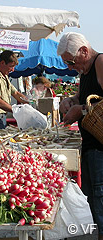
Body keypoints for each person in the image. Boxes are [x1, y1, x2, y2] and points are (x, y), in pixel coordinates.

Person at [57, 32, 103, 239]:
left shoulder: (100, 62)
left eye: (71, 62)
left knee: (100, 196)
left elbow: (94, 104)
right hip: (91, 143)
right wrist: (71, 100)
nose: (70, 68)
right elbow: (87, 96)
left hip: (100, 146)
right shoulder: (84, 70)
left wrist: (81, 111)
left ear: (84, 51)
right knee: (93, 197)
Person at [0, 50, 28, 129]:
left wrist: (29, 101)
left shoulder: (4, 76)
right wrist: (15, 111)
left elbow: (16, 93)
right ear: (2, 63)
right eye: (11, 66)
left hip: (1, 117)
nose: (13, 70)